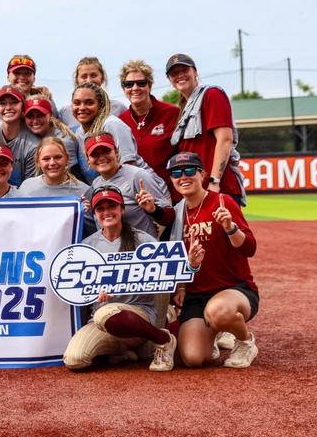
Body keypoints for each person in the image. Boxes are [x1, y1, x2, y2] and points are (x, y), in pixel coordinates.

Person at [62, 186, 177, 372]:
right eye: (101, 209)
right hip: (101, 321)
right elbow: (77, 289)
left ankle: (163, 338)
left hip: (140, 314)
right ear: (94, 213)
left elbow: (167, 275)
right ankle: (124, 351)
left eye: (112, 206)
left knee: (105, 313)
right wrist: (91, 296)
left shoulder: (143, 240)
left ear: (122, 209)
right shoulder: (86, 245)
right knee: (75, 359)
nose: (107, 212)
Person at [168, 152, 259, 368]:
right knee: (192, 358)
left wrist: (230, 228)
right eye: (176, 173)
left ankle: (246, 341)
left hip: (234, 289)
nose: (184, 177)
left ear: (203, 174)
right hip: (197, 296)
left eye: (190, 170)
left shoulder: (222, 201)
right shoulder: (177, 213)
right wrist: (180, 287)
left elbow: (249, 248)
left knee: (218, 312)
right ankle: (213, 335)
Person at [165, 53, 246, 205]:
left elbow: (225, 139)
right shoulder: (184, 108)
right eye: (174, 73)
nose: (180, 75)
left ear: (195, 72)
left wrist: (214, 182)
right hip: (197, 191)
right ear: (169, 79)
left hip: (217, 188)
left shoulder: (212, 94)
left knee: (228, 229)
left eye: (185, 70)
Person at [86, 133, 173, 238]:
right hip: (112, 250)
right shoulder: (96, 183)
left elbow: (170, 217)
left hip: (142, 249)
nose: (101, 158)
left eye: (106, 151)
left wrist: (154, 210)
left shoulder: (137, 175)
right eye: (95, 154)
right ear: (88, 159)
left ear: (116, 152)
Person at [117, 60, 181, 203]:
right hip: (137, 199)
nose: (135, 88)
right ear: (123, 89)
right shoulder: (120, 122)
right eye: (129, 84)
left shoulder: (172, 113)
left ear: (150, 85)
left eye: (141, 83)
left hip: (172, 196)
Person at [70, 83, 153, 182]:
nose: (82, 107)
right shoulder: (79, 132)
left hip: (142, 189)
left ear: (100, 105)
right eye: (77, 103)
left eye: (89, 103)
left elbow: (129, 167)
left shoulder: (112, 124)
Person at [0, 86, 40, 187]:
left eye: (14, 102)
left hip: (20, 198)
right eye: (2, 103)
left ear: (23, 106)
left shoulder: (34, 144)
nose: (8, 107)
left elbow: (30, 188)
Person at [23, 97, 83, 179]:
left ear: (50, 116)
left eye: (40, 115)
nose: (35, 121)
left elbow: (70, 177)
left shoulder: (63, 140)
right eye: (30, 116)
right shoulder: (33, 134)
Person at [59, 57, 128, 127]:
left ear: (102, 78)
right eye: (84, 76)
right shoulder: (65, 113)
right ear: (77, 80)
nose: (89, 80)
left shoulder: (118, 108)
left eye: (93, 75)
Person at [0, 55, 57, 121]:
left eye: (27, 73)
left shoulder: (46, 102)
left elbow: (55, 127)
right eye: (17, 73)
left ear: (34, 78)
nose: (22, 77)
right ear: (8, 77)